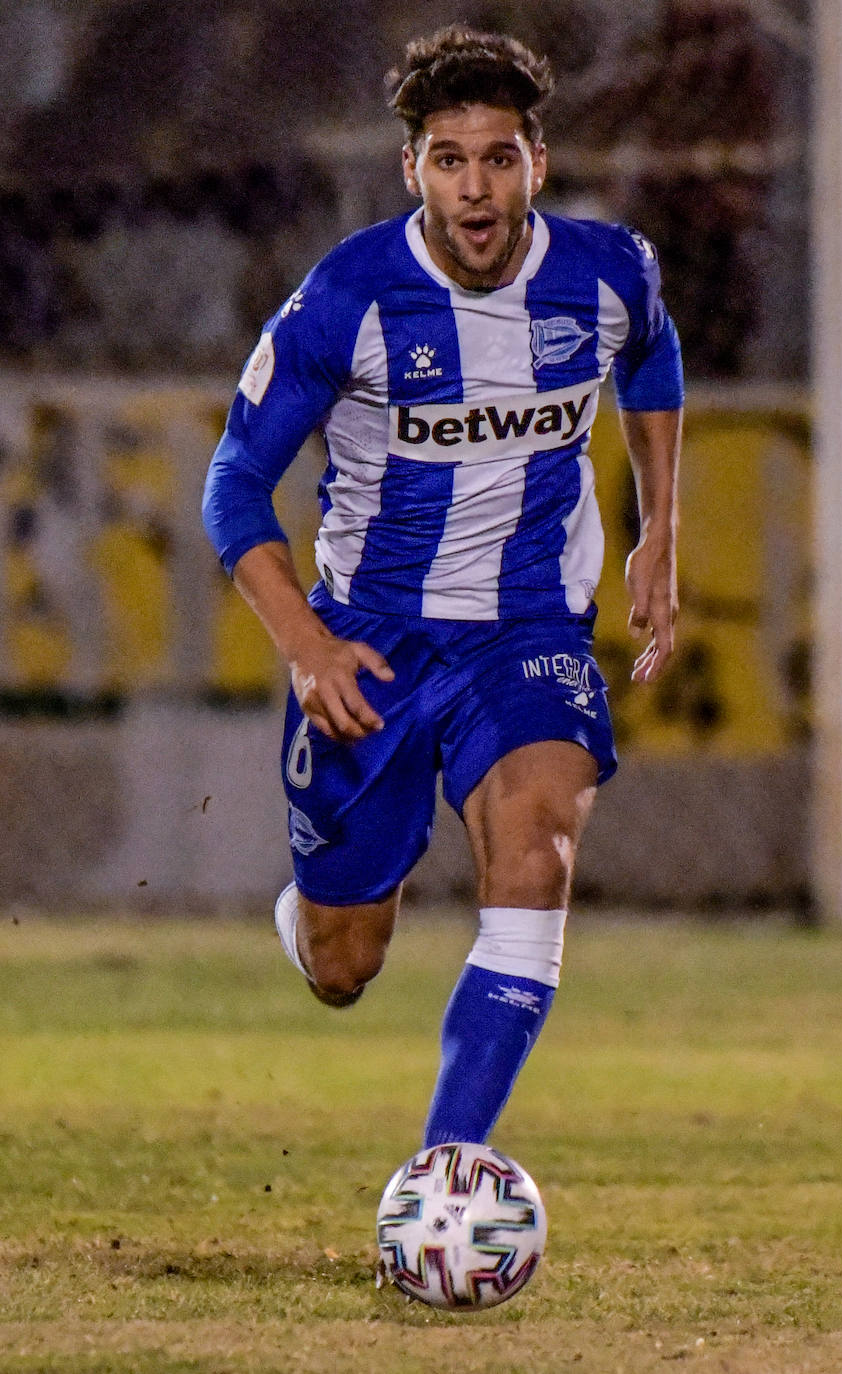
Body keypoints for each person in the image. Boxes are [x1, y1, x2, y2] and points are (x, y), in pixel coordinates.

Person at [202, 25, 682, 1148]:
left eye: (500, 157)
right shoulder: (348, 298)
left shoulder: (610, 272)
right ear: (411, 169)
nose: (478, 188)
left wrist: (660, 529)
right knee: (343, 964)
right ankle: (322, 917)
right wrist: (305, 644)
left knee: (537, 850)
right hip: (369, 646)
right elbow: (234, 485)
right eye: (452, 159)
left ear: (538, 165)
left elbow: (651, 357)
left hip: (528, 632)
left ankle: (448, 1172)